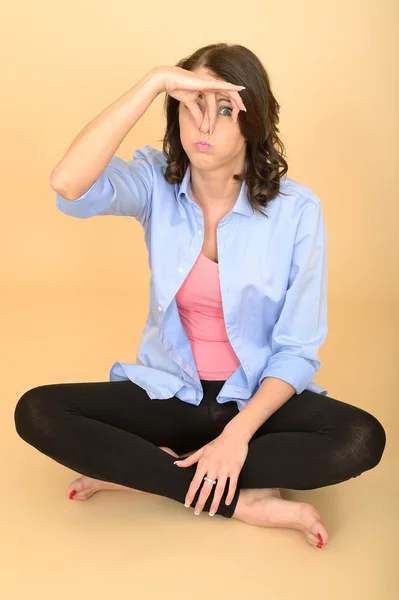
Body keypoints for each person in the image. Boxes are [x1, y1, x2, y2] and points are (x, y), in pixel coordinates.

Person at [14, 43, 386, 549]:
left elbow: (298, 349)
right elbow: (68, 184)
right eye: (192, 105)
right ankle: (234, 498)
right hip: (171, 393)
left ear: (253, 120)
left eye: (224, 109)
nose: (204, 125)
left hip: (253, 404)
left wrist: (236, 438)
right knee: (37, 411)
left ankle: (149, 469)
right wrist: (152, 82)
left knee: (361, 439)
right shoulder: (155, 182)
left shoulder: (297, 211)